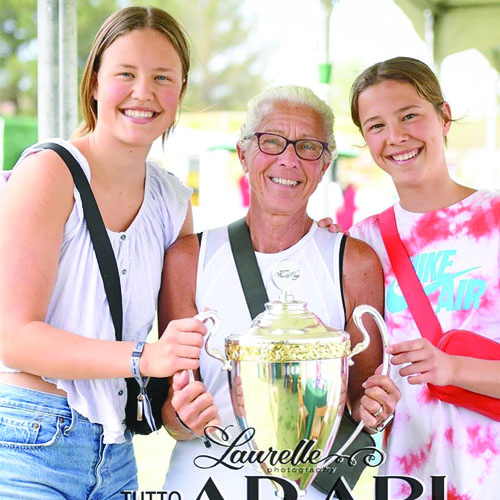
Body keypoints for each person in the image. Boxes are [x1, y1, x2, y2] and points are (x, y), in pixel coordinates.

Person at [0, 6, 207, 498]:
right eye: (125, 74)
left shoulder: (173, 201)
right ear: (94, 82)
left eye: (162, 77)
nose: (144, 92)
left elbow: (180, 346)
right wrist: (144, 356)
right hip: (27, 439)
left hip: (115, 455)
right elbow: (12, 337)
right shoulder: (50, 172)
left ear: (180, 91)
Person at [159, 85, 401, 498]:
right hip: (205, 485)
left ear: (324, 165)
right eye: (271, 141)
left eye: (308, 147)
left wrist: (374, 409)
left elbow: (362, 402)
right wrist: (183, 416)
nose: (288, 159)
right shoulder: (188, 259)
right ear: (243, 154)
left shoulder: (354, 263)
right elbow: (171, 411)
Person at [348, 56, 500, 499]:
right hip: (410, 476)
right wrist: (366, 404)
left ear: (444, 117)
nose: (396, 136)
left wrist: (452, 368)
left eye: (409, 115)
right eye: (376, 126)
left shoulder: (493, 220)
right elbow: (358, 375)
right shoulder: (362, 243)